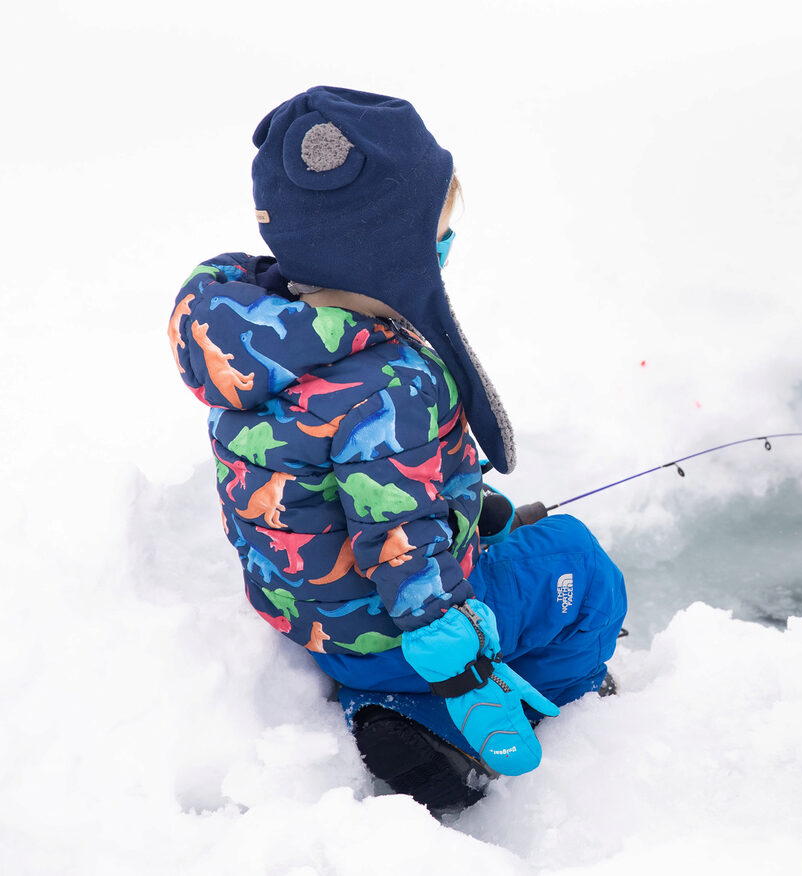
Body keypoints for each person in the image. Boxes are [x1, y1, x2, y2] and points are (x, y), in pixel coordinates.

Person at [168, 85, 627, 810]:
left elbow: (347, 493)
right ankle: (463, 722)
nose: (444, 249)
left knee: (517, 538)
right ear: (386, 250)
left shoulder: (252, 351)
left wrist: (473, 510)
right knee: (582, 569)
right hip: (400, 638)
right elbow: (399, 541)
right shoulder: (388, 383)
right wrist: (452, 655)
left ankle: (381, 691)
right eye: (436, 233)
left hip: (307, 616)